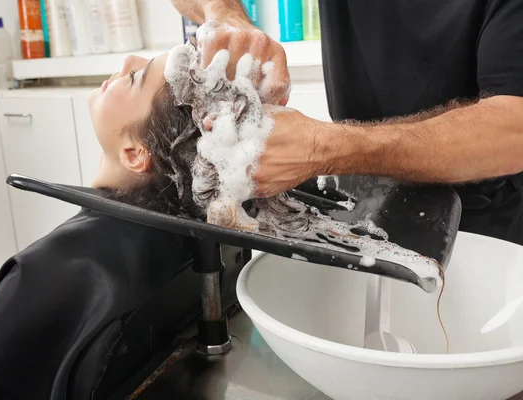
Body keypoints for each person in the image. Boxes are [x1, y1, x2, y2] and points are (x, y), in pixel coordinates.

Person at [0, 54, 206, 400]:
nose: (127, 61)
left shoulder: (47, 270)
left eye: (136, 76)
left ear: (135, 154)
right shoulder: (188, 234)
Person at [170, 0, 523, 245]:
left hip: (487, 234)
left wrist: (326, 146)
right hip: (360, 213)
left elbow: (513, 129)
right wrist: (225, 14)